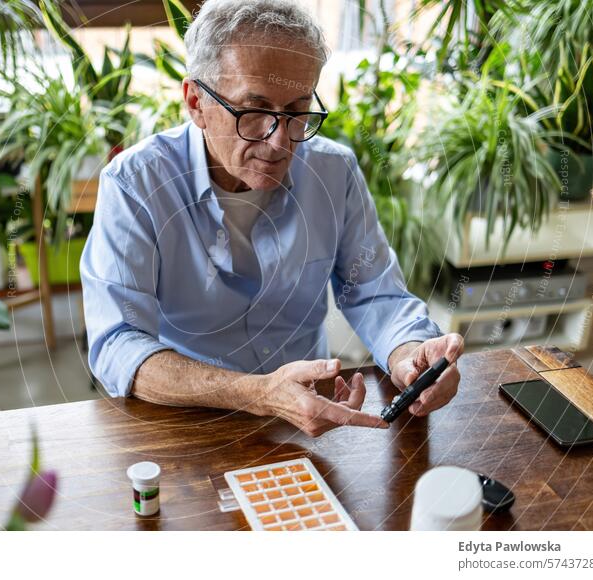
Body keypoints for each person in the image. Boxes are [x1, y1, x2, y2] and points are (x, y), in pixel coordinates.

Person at [81, 0, 464, 437]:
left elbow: (376, 295)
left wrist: (409, 355)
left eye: (298, 111)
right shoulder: (136, 184)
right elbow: (118, 344)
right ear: (195, 102)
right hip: (187, 419)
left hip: (310, 420)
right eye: (254, 110)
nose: (280, 140)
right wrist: (258, 393)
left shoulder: (332, 172)